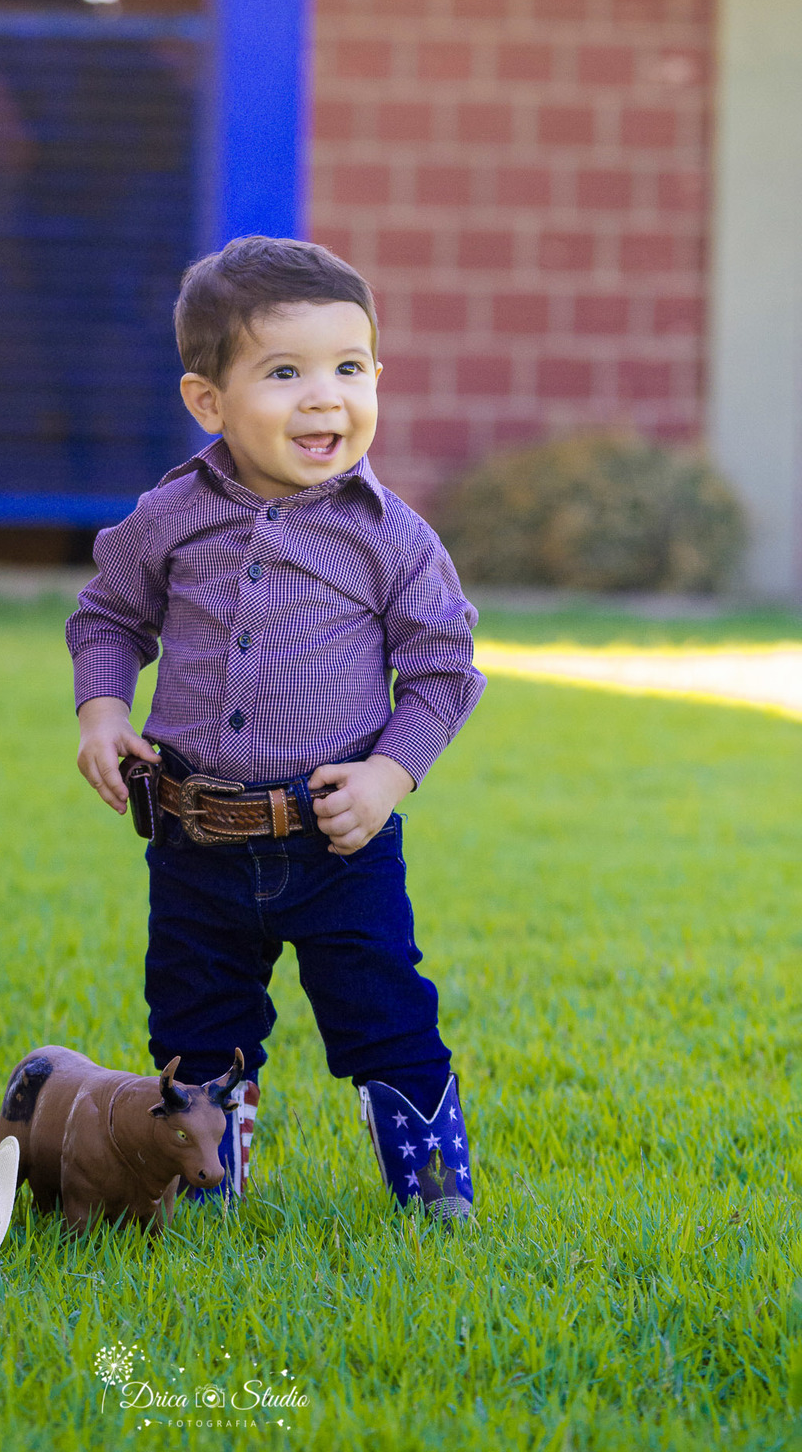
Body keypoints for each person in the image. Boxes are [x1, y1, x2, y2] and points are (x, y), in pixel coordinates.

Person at [65, 236, 486, 1218]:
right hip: (195, 834)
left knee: (385, 1011)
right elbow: (110, 615)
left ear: (378, 378)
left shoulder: (393, 538)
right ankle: (208, 1191)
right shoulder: (169, 517)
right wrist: (102, 708)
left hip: (338, 835)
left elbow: (441, 671)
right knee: (195, 1019)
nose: (323, 397)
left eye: (348, 369)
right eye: (284, 372)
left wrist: (389, 778)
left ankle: (433, 1195)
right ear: (208, 401)